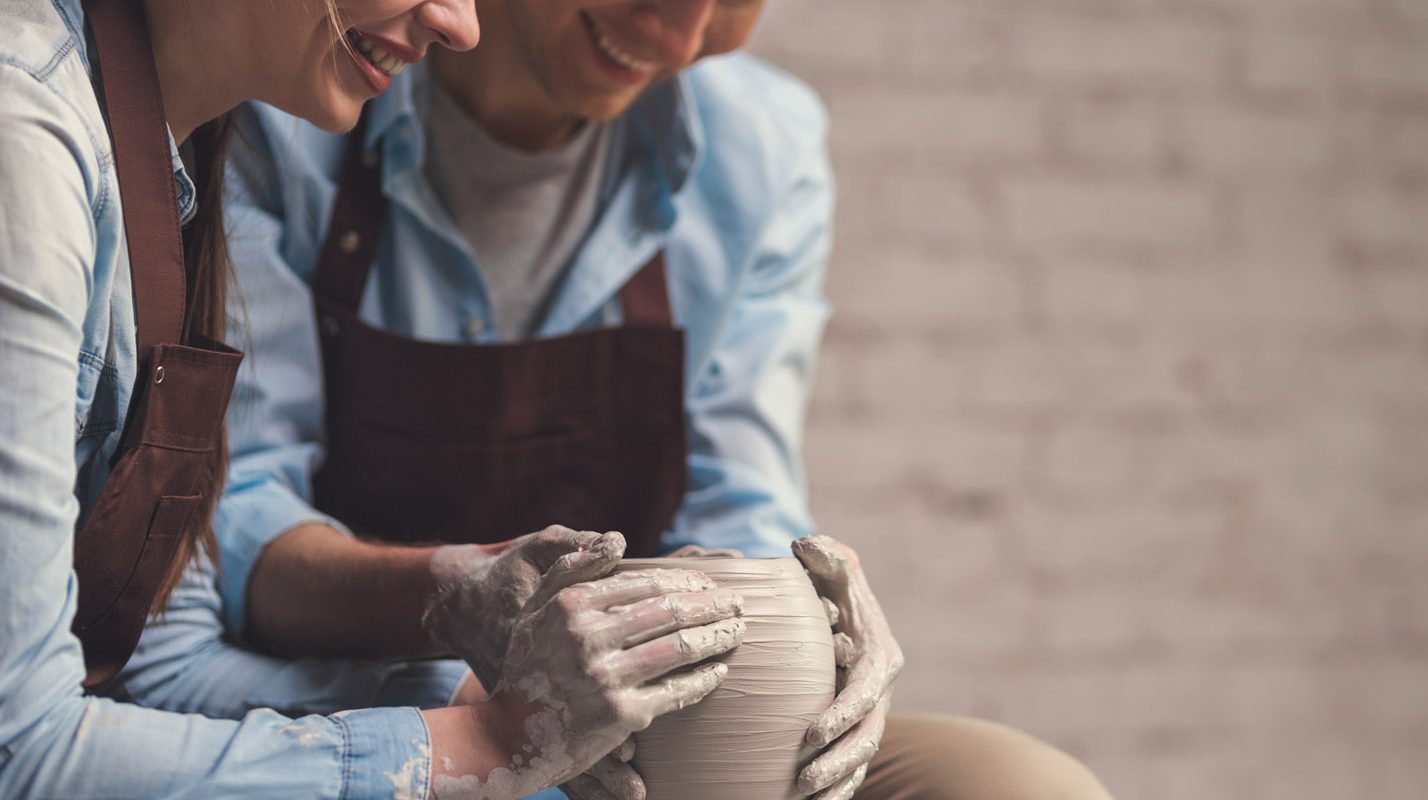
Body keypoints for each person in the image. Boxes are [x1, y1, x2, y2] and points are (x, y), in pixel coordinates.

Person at [121, 0, 1116, 798]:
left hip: (636, 723)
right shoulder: (294, 96)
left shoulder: (760, 146)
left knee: (1023, 785)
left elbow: (736, 509)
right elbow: (227, 524)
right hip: (347, 695)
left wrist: (817, 624)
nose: (682, 37)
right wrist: (456, 608)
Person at [0, 0, 752, 797]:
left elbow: (158, 662)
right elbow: (20, 749)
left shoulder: (175, 141)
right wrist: (488, 741)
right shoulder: (27, 145)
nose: (462, 24)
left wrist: (493, 707)